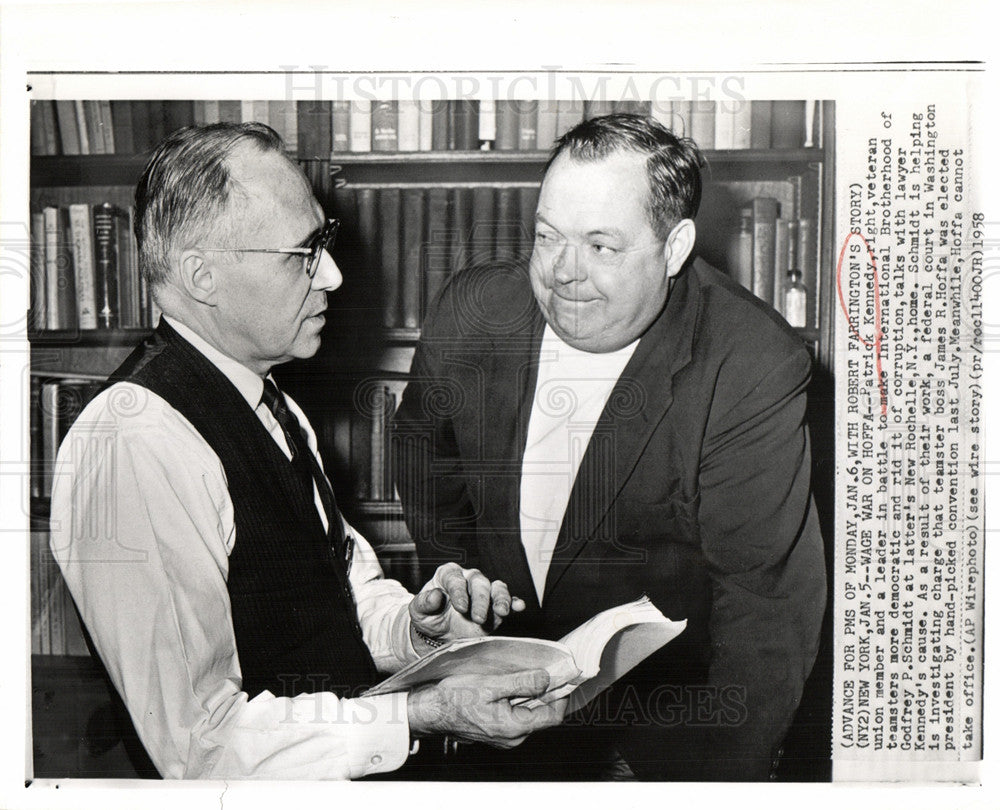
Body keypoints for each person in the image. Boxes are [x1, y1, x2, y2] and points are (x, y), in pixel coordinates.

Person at [49, 122, 566, 780]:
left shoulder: (273, 406)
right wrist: (420, 714)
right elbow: (197, 745)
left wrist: (417, 629)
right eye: (302, 253)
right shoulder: (134, 440)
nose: (334, 274)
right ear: (202, 274)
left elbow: (339, 596)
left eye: (325, 241)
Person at [392, 113, 827, 781]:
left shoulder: (750, 362)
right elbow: (426, 458)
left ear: (675, 247)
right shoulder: (471, 311)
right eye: (547, 237)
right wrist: (462, 585)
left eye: (602, 246)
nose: (565, 273)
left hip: (655, 744)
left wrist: (708, 782)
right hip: (491, 724)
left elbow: (765, 612)